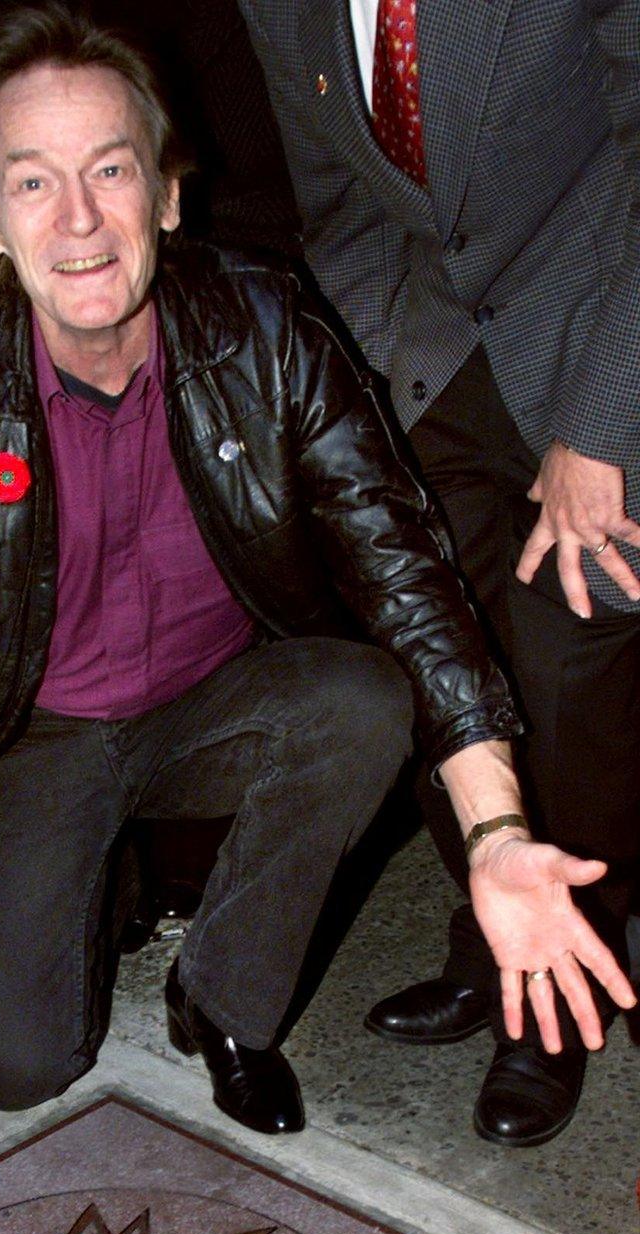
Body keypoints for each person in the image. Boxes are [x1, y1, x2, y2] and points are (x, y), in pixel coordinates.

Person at [0, 5, 635, 1140]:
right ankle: (80, 897)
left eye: (111, 171)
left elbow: (408, 580)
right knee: (13, 1064)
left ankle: (223, 1001)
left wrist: (495, 836)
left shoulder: (267, 333)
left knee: (362, 697)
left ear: (169, 198)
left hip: (213, 707)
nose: (79, 219)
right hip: (30, 735)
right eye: (32, 184)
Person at [232, 0, 640, 1145]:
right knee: (426, 651)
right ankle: (488, 934)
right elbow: (342, 214)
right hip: (443, 348)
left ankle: (553, 1006)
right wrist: (369, 420)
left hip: (609, 324)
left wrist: (605, 425)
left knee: (563, 670)